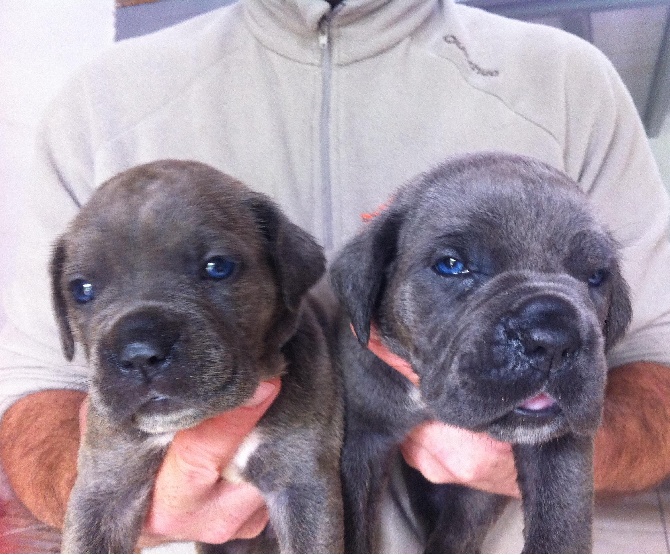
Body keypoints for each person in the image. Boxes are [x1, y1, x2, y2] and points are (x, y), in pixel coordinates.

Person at [1, 0, 670, 551]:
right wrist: (127, 495)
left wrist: (565, 441)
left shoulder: (567, 81)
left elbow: (656, 356)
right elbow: (33, 391)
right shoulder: (101, 99)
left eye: (215, 267)